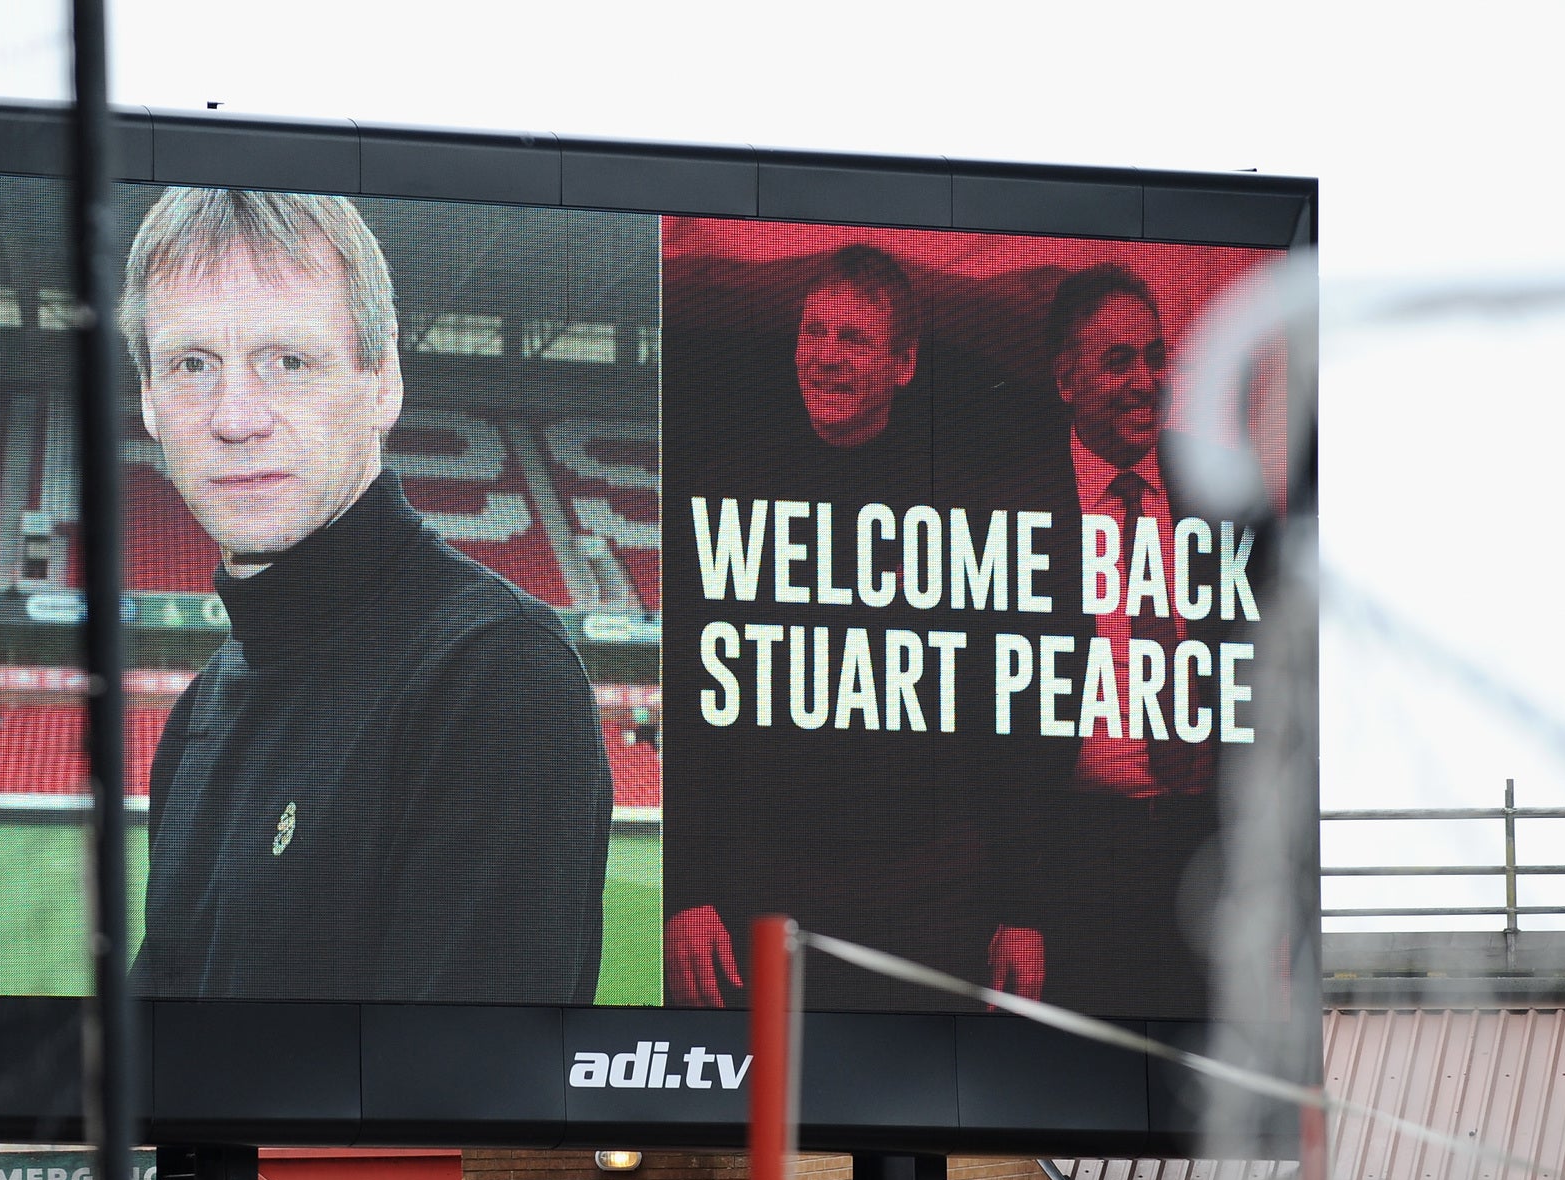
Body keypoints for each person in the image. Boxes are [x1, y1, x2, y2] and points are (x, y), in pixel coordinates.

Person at [121, 187, 613, 1004]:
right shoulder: (195, 719)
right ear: (148, 400)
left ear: (381, 382)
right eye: (192, 364)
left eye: (289, 360)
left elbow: (452, 1113)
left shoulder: (492, 677)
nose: (236, 417)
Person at [662, 244, 997, 1010]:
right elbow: (686, 702)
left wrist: (1015, 905)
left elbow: (999, 721)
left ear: (904, 363)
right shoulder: (728, 494)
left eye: (854, 339)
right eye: (814, 333)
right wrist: (686, 891)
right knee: (756, 1124)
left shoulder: (959, 511)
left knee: (908, 1123)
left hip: (926, 896)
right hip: (764, 891)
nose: (826, 356)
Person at [981, 263, 1262, 1018]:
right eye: (1117, 361)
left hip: (1208, 858)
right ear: (1067, 379)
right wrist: (1019, 905)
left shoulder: (1220, 491)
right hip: (1078, 865)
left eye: (1154, 355)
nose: (1146, 379)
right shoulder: (1013, 507)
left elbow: (1262, 687)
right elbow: (990, 733)